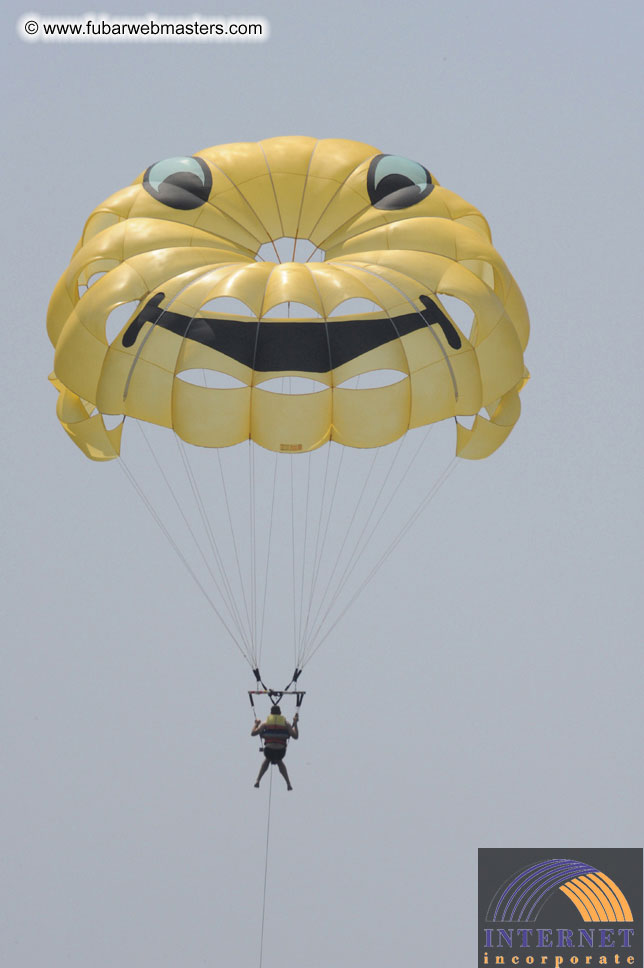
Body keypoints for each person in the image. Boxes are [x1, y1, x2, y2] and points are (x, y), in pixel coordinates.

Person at [252, 705, 299, 790]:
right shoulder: (286, 723)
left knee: (267, 759)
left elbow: (253, 733)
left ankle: (258, 780)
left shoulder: (265, 722)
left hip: (269, 750)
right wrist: (295, 723)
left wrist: (256, 724)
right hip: (280, 752)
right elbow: (295, 736)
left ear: (271, 713)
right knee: (279, 761)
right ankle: (288, 783)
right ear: (280, 713)